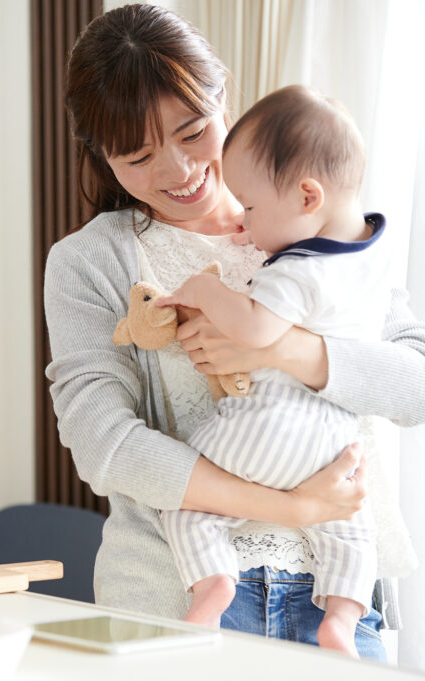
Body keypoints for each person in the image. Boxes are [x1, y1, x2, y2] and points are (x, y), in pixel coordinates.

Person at [46, 3, 425, 659]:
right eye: (137, 155)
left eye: (194, 132)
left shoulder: (318, 221)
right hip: (177, 602)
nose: (177, 171)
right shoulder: (89, 262)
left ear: (223, 91)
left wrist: (282, 347)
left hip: (338, 601)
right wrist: (292, 507)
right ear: (102, 158)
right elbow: (103, 444)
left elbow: (415, 387)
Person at [154, 84, 387, 656]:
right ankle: (340, 617)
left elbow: (257, 329)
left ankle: (212, 584)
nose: (246, 225)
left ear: (308, 196)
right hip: (336, 445)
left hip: (266, 429)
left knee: (185, 503)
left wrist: (209, 288)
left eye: (252, 209)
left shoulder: (298, 268)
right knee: (353, 530)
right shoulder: (371, 265)